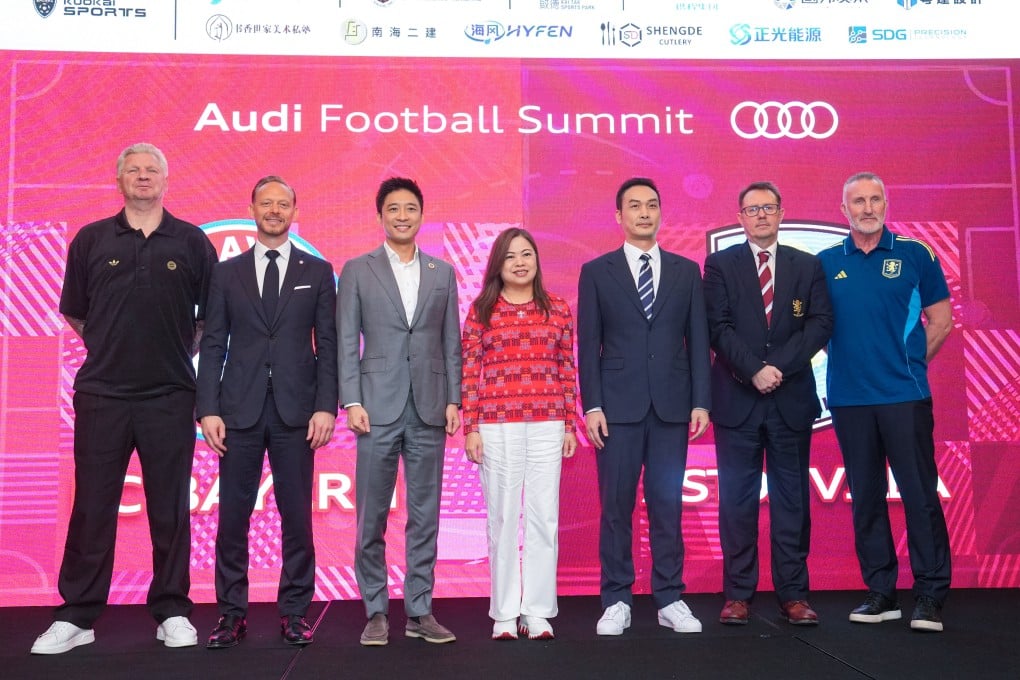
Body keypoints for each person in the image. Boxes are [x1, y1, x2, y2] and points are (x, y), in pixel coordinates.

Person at [32, 143, 216, 655]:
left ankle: (173, 611)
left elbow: (207, 317)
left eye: (151, 170)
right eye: (133, 170)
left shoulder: (192, 241)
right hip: (102, 394)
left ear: (164, 179)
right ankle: (78, 616)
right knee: (91, 507)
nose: (142, 177)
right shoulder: (91, 239)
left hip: (171, 395)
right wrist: (113, 345)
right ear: (118, 180)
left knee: (171, 508)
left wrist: (178, 347)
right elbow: (76, 313)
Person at [196, 176, 338, 648]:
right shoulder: (226, 272)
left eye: (283, 204)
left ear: (296, 211)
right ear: (252, 208)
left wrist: (325, 406)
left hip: (297, 413)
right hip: (237, 410)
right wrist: (207, 408)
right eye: (266, 203)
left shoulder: (317, 272)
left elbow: (330, 346)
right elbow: (213, 343)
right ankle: (231, 613)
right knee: (232, 517)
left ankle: (295, 611)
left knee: (296, 516)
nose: (274, 210)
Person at [818, 172, 953, 632]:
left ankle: (930, 594)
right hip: (850, 401)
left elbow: (942, 319)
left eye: (875, 199)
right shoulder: (825, 262)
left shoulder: (917, 254)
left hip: (904, 397)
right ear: (844, 210)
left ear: (886, 205)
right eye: (858, 201)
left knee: (919, 496)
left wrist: (909, 362)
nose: (868, 208)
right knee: (867, 500)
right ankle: (881, 592)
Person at [577, 177, 711, 636]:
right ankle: (616, 597)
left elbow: (698, 341)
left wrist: (700, 401)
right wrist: (591, 405)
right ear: (619, 216)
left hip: (673, 407)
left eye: (652, 205)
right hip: (616, 409)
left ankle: (670, 596)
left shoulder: (685, 270)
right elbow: (588, 345)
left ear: (661, 212)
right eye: (634, 206)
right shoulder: (597, 271)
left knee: (667, 504)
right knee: (616, 506)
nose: (644, 213)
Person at [337, 177, 462, 646]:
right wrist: (351, 399)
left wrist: (454, 399)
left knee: (425, 514)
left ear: (422, 215)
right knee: (371, 515)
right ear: (381, 216)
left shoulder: (442, 271)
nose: (403, 215)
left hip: (429, 407)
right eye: (394, 209)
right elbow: (347, 340)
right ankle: (374, 610)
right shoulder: (357, 270)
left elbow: (451, 341)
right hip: (375, 407)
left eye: (411, 208)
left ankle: (419, 610)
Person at [703, 181, 833, 626]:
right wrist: (753, 370)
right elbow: (716, 327)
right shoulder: (719, 265)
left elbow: (820, 324)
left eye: (768, 208)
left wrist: (778, 367)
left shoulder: (806, 265)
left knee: (791, 500)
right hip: (737, 399)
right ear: (739, 217)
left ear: (781, 213)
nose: (761, 215)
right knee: (736, 501)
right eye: (752, 209)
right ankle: (738, 593)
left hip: (790, 398)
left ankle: (794, 594)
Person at [461, 228, 578, 641]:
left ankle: (539, 611)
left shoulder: (559, 309)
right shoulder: (481, 311)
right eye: (510, 257)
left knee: (544, 517)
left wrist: (569, 424)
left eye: (527, 254)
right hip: (496, 423)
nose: (520, 262)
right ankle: (506, 612)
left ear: (537, 261)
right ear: (498, 265)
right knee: (504, 516)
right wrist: (471, 427)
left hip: (548, 421)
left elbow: (567, 370)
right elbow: (470, 372)